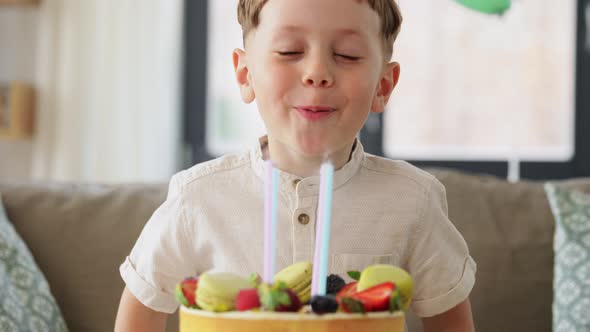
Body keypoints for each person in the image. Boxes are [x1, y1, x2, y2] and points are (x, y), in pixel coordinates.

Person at [114, 0, 477, 331]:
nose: (317, 72)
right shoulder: (197, 198)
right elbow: (140, 312)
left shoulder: (412, 201)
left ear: (384, 84)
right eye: (289, 51)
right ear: (245, 75)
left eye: (347, 55)